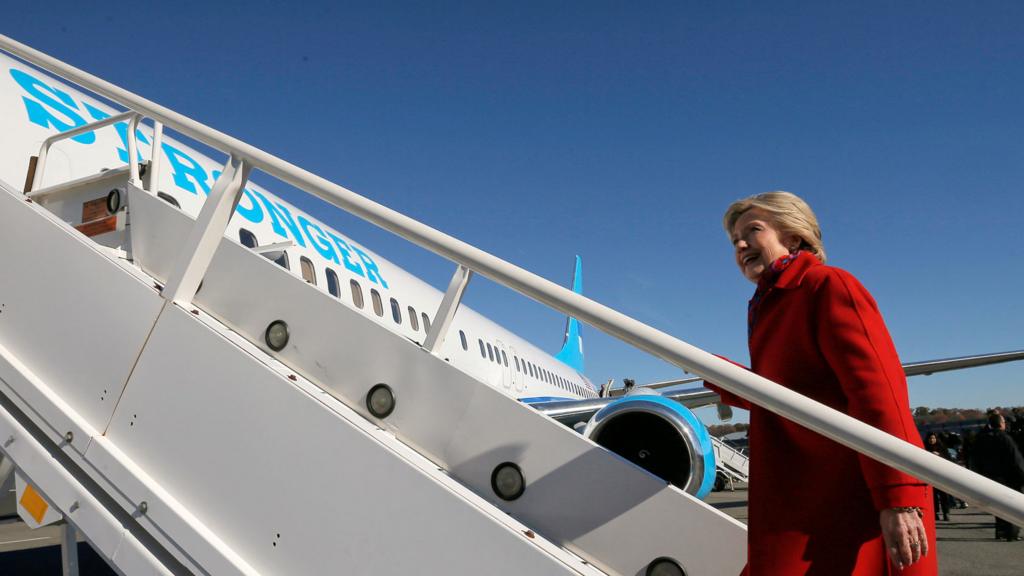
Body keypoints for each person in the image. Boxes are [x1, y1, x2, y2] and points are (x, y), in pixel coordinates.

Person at [706, 191, 937, 574]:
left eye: (753, 231)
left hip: (847, 494)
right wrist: (727, 379)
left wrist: (899, 494)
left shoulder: (827, 286)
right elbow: (797, 396)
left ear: (793, 237)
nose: (741, 244)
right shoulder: (770, 305)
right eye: (734, 241)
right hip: (804, 496)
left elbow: (879, 393)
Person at [970, 413, 1024, 541]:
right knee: (1011, 504)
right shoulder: (1005, 438)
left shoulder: (982, 438)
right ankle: (1011, 532)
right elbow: (1016, 460)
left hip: (989, 476)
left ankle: (1000, 530)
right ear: (1001, 424)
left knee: (997, 505)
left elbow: (974, 458)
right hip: (1008, 477)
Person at [924, 433, 951, 521]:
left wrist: (939, 455)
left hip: (941, 474)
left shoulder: (942, 447)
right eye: (930, 438)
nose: (931, 440)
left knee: (944, 495)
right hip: (930, 475)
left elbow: (948, 459)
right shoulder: (924, 448)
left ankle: (946, 512)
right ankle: (935, 513)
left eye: (933, 438)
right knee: (933, 496)